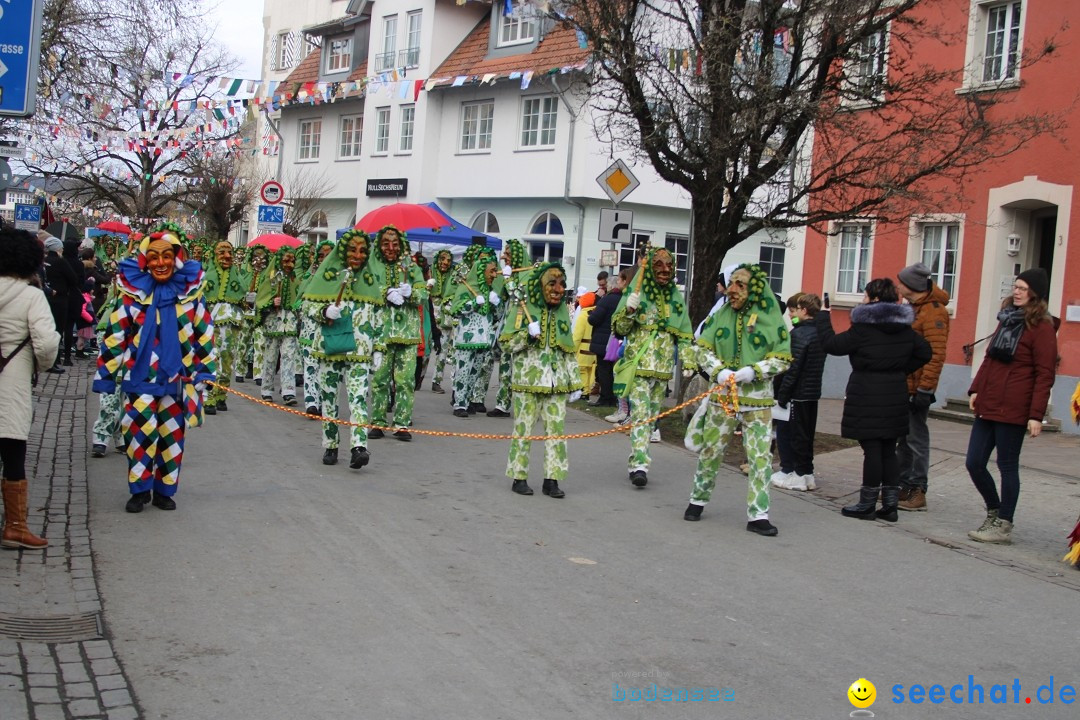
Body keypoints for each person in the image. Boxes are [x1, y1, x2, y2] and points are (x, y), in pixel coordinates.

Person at [92, 224, 216, 513]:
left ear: (177, 258)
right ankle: (139, 490)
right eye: (154, 257)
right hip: (140, 378)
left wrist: (206, 371)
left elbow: (205, 335)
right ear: (145, 261)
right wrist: (106, 375)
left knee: (172, 437)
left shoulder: (191, 296)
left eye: (166, 256)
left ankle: (164, 490)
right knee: (139, 434)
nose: (160, 263)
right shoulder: (132, 296)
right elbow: (115, 336)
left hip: (178, 380)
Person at [683, 264, 791, 535]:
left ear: (754, 289)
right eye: (731, 283)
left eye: (739, 285)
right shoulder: (721, 314)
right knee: (711, 451)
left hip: (758, 401)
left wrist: (753, 371)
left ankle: (758, 514)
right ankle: (698, 499)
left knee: (759, 458)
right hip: (723, 399)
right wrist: (718, 371)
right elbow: (702, 348)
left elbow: (783, 358)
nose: (731, 290)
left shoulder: (771, 317)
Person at [816, 278, 931, 522]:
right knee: (889, 449)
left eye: (866, 296)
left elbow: (832, 345)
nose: (863, 300)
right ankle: (890, 506)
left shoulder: (863, 328)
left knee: (872, 449)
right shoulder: (904, 328)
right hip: (895, 392)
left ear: (875, 299)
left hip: (867, 392)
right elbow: (925, 352)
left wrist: (824, 317)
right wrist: (900, 369)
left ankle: (867, 504)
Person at [965, 268, 1057, 544]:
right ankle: (994, 510)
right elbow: (990, 358)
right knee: (974, 463)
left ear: (1035, 294)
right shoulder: (1006, 319)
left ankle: (1003, 523)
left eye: (1023, 288)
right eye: (1016, 286)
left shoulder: (1042, 327)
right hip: (989, 401)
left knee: (1007, 466)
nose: (1016, 292)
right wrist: (975, 388)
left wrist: (1036, 414)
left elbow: (1045, 373)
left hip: (1015, 406)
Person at [611, 247, 694, 488]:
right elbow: (620, 330)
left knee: (651, 418)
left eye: (669, 265)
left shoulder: (675, 300)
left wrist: (688, 359)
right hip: (639, 368)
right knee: (641, 414)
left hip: (662, 371)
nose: (665, 270)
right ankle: (639, 465)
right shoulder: (636, 294)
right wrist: (629, 310)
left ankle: (638, 458)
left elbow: (685, 334)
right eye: (659, 265)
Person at [0, 227, 61, 548]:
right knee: (12, 455)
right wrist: (41, 365)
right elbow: (47, 344)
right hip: (11, 388)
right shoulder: (31, 296)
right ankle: (15, 526)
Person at [499, 262, 581, 497]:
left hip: (556, 384)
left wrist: (575, 382)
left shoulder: (563, 313)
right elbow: (506, 344)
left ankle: (552, 479)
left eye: (562, 283)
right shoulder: (521, 309)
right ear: (539, 286)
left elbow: (568, 349)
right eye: (552, 283)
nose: (558, 288)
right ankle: (519, 476)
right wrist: (527, 335)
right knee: (523, 430)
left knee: (557, 433)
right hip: (527, 382)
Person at [302, 229, 381, 468]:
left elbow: (378, 317)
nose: (357, 255)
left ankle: (359, 446)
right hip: (330, 346)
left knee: (358, 398)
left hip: (360, 348)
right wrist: (323, 311)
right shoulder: (327, 276)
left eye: (362, 251)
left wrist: (379, 348)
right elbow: (307, 307)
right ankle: (331, 445)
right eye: (352, 250)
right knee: (329, 398)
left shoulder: (370, 280)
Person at [894, 261, 951, 512]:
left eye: (901, 281)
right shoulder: (913, 308)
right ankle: (904, 485)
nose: (898, 285)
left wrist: (925, 390)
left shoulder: (934, 311)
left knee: (916, 439)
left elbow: (935, 353)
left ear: (911, 286)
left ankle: (918, 489)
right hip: (905, 384)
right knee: (903, 440)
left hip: (918, 387)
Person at [368, 226, 427, 441]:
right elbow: (367, 291)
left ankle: (402, 423)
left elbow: (423, 294)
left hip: (408, 333)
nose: (391, 248)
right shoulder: (373, 265)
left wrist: (411, 293)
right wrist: (385, 292)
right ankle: (378, 421)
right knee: (380, 380)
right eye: (385, 243)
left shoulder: (411, 267)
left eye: (395, 244)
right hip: (382, 332)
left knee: (405, 381)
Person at [773, 292, 825, 491]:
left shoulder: (799, 334)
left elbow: (791, 369)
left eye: (795, 311)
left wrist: (782, 395)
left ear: (804, 310)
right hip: (812, 393)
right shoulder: (820, 332)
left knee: (792, 435)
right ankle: (806, 473)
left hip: (797, 394)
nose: (792, 315)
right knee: (806, 435)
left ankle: (797, 473)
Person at [449, 248, 501, 418]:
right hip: (467, 337)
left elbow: (495, 317)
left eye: (495, 270)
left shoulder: (488, 291)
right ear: (481, 272)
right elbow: (456, 310)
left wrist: (495, 304)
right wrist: (473, 303)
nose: (494, 275)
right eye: (491, 271)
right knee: (463, 371)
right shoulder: (466, 288)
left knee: (475, 371)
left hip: (483, 338)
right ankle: (459, 404)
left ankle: (469, 399)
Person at [202, 240, 251, 414]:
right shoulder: (206, 277)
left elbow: (244, 292)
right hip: (211, 324)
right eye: (222, 252)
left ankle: (222, 394)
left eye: (229, 252)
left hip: (231, 324)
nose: (227, 256)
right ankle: (210, 397)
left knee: (227, 358)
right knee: (212, 359)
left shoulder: (237, 276)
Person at [486, 238, 529, 418]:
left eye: (508, 254)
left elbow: (519, 295)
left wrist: (509, 279)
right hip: (507, 328)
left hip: (521, 330)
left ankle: (525, 406)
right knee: (504, 367)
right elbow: (504, 297)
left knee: (520, 369)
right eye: (504, 253)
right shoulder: (508, 274)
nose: (504, 257)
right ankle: (502, 404)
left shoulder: (529, 274)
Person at [255, 246, 301, 406]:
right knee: (271, 355)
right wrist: (271, 302)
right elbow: (262, 296)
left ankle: (289, 390)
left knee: (289, 356)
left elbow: (299, 296)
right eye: (286, 260)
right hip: (273, 321)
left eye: (292, 261)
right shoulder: (272, 276)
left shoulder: (295, 278)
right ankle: (267, 389)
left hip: (289, 320)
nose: (290, 264)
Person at [295, 240, 334, 415]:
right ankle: (311, 401)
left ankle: (325, 402)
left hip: (330, 328)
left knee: (326, 367)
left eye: (328, 254)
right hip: (310, 327)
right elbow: (300, 297)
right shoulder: (310, 276)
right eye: (321, 255)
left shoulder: (339, 276)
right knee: (310, 365)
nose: (324, 258)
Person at [587, 266, 631, 408]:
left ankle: (606, 397)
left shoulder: (606, 300)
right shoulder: (623, 300)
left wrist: (591, 315)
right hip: (617, 340)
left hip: (603, 341)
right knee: (614, 369)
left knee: (604, 369)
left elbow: (594, 319)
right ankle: (615, 398)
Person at [42, 234, 77, 372]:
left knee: (46, 328)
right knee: (57, 330)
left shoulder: (44, 261)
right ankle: (54, 360)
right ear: (57, 249)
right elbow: (73, 279)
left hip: (46, 297)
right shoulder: (60, 262)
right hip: (60, 299)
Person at [428, 249, 456, 394]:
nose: (445, 263)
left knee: (442, 349)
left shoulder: (453, 276)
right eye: (443, 259)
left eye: (449, 260)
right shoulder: (429, 272)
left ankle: (436, 381)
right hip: (428, 316)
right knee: (425, 349)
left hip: (444, 317)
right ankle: (416, 378)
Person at [572, 291, 597, 397]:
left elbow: (577, 335)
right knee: (592, 370)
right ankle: (590, 389)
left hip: (582, 349)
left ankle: (584, 391)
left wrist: (573, 349)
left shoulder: (582, 316)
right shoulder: (596, 313)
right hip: (594, 348)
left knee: (582, 370)